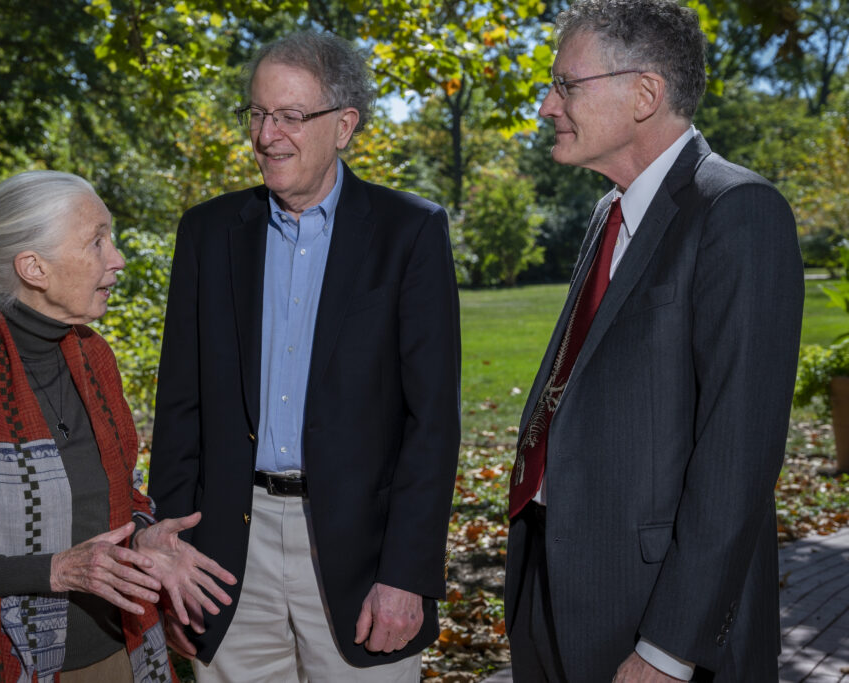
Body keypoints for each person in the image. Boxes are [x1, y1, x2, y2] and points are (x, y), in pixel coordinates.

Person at [503, 1, 805, 681]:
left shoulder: (738, 213)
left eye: (565, 84)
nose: (548, 106)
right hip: (554, 592)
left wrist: (669, 649)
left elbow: (739, 456)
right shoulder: (608, 213)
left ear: (644, 94)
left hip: (652, 623)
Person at [148, 30, 461, 682]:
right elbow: (180, 407)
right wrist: (167, 553)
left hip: (364, 558)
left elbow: (431, 424)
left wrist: (406, 572)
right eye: (258, 113)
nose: (267, 135)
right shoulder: (207, 234)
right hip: (228, 557)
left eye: (290, 116)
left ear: (344, 125)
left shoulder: (410, 233)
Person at [0, 170, 236, 682]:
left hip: (121, 650)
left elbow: (112, 502)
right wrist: (55, 570)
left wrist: (144, 538)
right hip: (8, 661)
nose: (117, 259)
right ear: (34, 267)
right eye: (97, 241)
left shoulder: (93, 357)